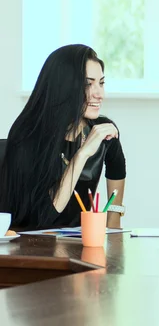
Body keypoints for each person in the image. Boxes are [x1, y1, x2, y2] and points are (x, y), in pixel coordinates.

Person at [0, 44, 126, 230]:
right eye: (88, 84)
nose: (100, 94)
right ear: (65, 86)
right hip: (32, 245)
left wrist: (113, 226)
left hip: (77, 245)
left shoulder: (102, 130)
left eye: (101, 83)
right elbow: (44, 217)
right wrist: (82, 154)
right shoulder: (27, 136)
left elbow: (117, 168)